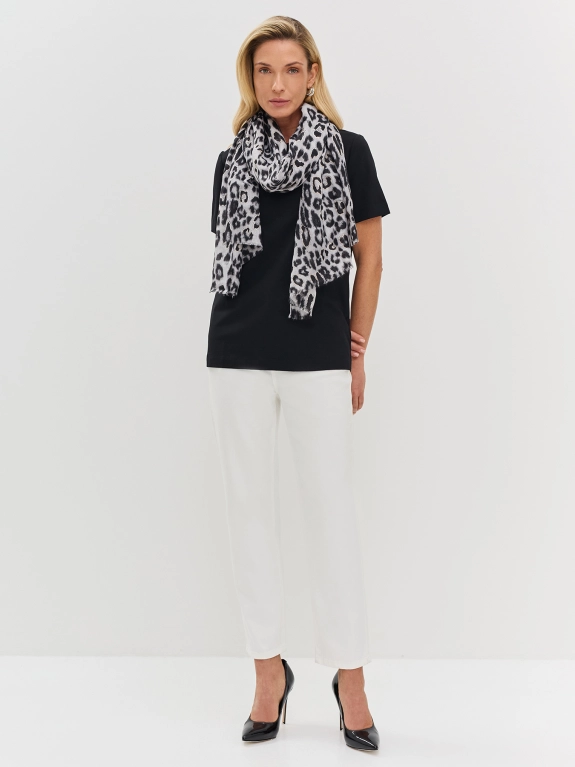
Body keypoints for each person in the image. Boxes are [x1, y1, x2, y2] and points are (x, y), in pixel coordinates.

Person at [206, 16, 390, 750]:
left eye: (290, 69)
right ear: (250, 79)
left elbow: (370, 258)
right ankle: (267, 673)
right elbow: (233, 263)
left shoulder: (348, 152)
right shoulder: (230, 161)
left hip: (318, 350)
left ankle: (351, 679)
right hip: (237, 349)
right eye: (264, 71)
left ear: (312, 74)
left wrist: (356, 349)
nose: (277, 84)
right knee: (248, 510)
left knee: (330, 514)